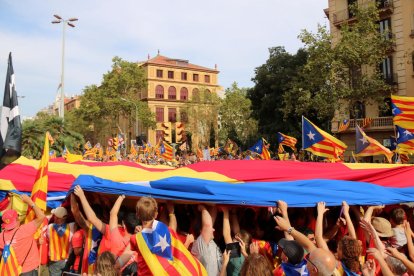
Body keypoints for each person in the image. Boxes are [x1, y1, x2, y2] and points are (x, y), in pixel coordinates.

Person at [131, 196, 206, 275]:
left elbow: (124, 258)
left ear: (137, 215)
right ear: (156, 214)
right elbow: (172, 227)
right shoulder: (166, 232)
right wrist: (171, 213)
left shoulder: (136, 238)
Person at [0, 194, 45, 275]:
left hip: (11, 270)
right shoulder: (24, 230)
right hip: (28, 270)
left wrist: (36, 242)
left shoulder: (1, 236)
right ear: (17, 219)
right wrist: (30, 202)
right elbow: (41, 216)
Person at [192, 205, 222, 275]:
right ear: (201, 231)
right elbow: (208, 225)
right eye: (212, 229)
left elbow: (210, 223)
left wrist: (214, 204)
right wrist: (202, 208)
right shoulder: (199, 243)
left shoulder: (209, 242)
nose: (214, 229)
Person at [46, 206, 75, 276]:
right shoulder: (72, 226)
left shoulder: (50, 227)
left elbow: (47, 239)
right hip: (67, 260)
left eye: (56, 216)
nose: (54, 217)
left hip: (54, 260)